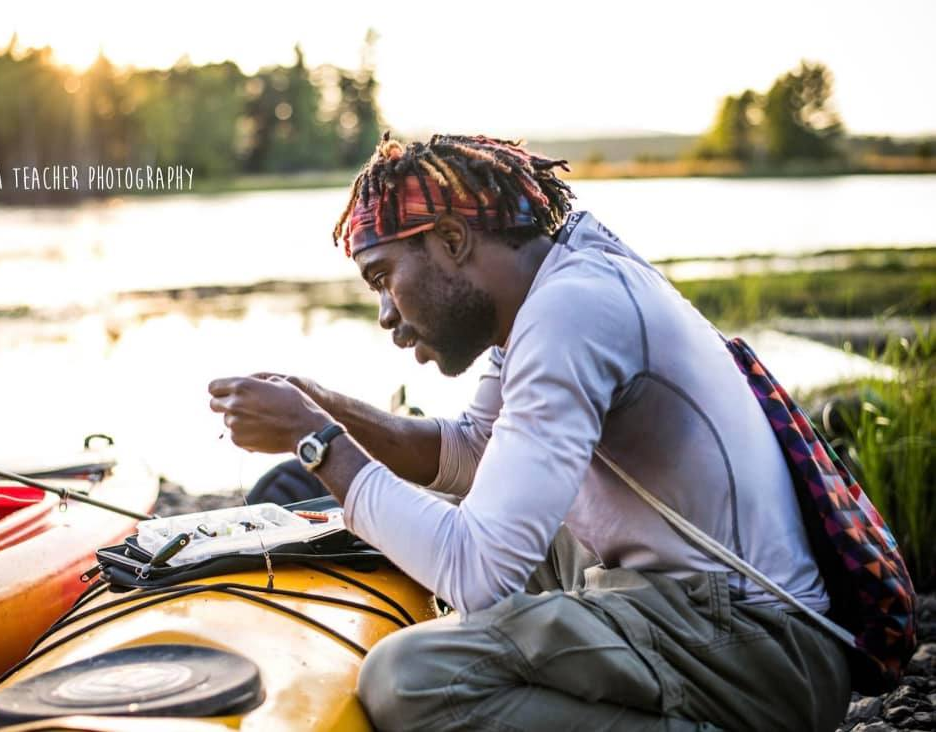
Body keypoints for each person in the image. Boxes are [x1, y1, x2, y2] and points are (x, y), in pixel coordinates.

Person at [208, 133, 851, 731]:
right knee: (449, 513)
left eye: (384, 278)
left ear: (453, 240)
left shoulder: (570, 310)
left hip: (761, 646)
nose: (384, 315)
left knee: (410, 678)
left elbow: (476, 572)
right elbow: (469, 454)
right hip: (698, 607)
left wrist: (319, 443)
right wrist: (325, 411)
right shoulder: (547, 287)